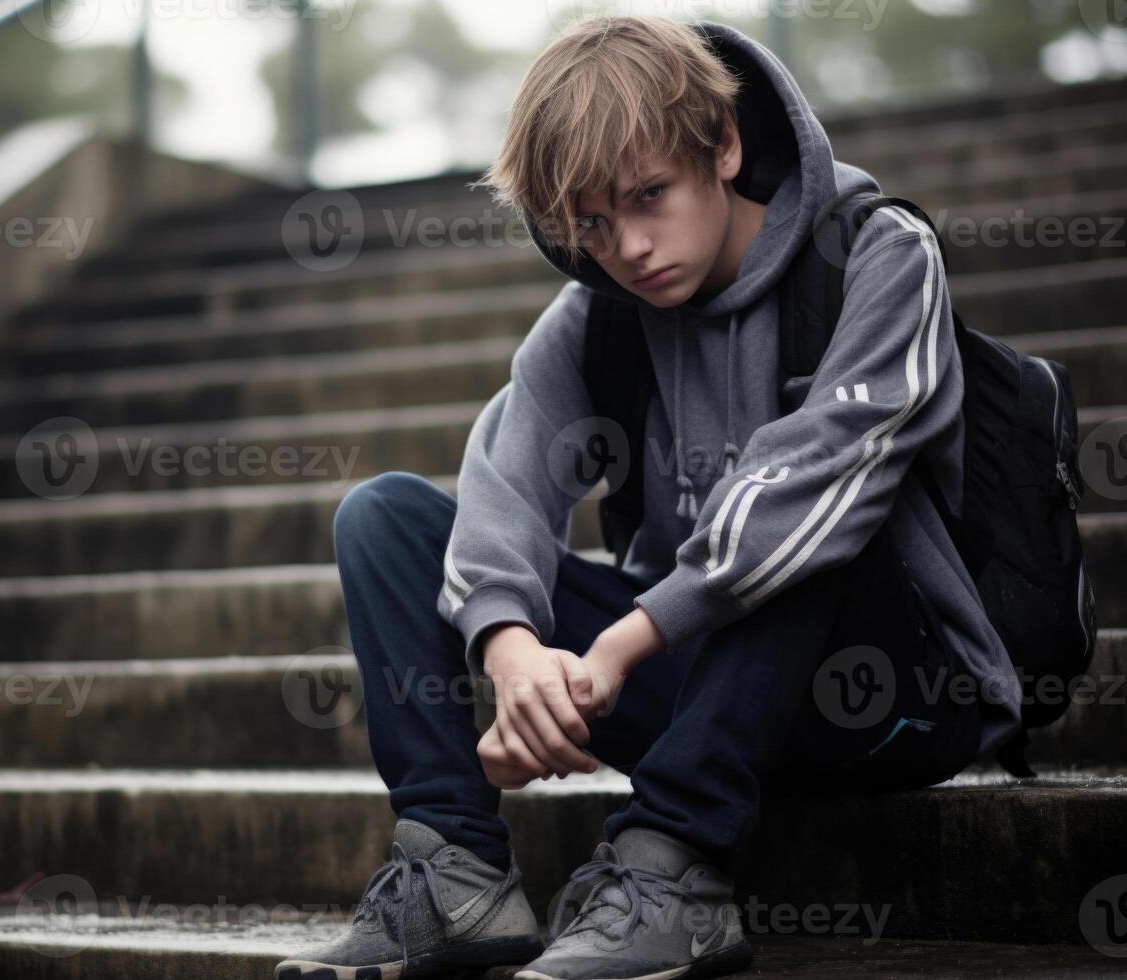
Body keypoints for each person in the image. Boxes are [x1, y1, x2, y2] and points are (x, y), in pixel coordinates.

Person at [276, 14, 1019, 980]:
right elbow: (505, 483)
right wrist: (511, 651)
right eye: (591, 222)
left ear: (725, 144)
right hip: (694, 686)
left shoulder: (878, 258)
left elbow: (822, 483)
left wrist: (620, 644)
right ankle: (454, 875)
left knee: (801, 521)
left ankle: (670, 872)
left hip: (885, 694)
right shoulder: (600, 316)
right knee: (384, 517)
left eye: (649, 197)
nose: (625, 246)